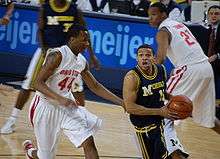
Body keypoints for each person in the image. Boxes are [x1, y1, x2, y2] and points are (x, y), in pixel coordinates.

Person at [22, 24, 123, 159]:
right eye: (83, 39)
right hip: (45, 107)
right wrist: (60, 98)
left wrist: (121, 102)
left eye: (88, 40)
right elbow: (37, 83)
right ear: (71, 39)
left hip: (67, 108)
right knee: (45, 156)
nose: (87, 44)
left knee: (88, 140)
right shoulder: (57, 55)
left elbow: (95, 86)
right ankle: (30, 152)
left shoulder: (81, 61)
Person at [0, 0, 100, 134]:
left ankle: (74, 123)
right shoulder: (45, 8)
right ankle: (12, 120)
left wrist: (92, 56)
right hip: (48, 52)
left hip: (68, 55)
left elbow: (85, 32)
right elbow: (40, 31)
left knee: (79, 94)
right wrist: (43, 50)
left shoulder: (74, 9)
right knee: (28, 85)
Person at [148, 1, 216, 156]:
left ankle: (176, 154)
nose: (150, 19)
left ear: (163, 14)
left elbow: (160, 59)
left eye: (153, 14)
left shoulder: (163, 30)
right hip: (205, 68)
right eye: (149, 15)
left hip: (189, 70)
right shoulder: (177, 24)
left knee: (162, 113)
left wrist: (144, 70)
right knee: (210, 118)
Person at [123, 44, 183, 159]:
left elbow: (161, 91)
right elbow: (129, 107)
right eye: (141, 55)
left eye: (148, 55)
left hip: (161, 122)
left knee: (173, 155)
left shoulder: (161, 69)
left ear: (153, 58)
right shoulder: (132, 77)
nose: (144, 58)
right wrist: (159, 111)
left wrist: (175, 100)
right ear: (137, 58)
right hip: (144, 127)